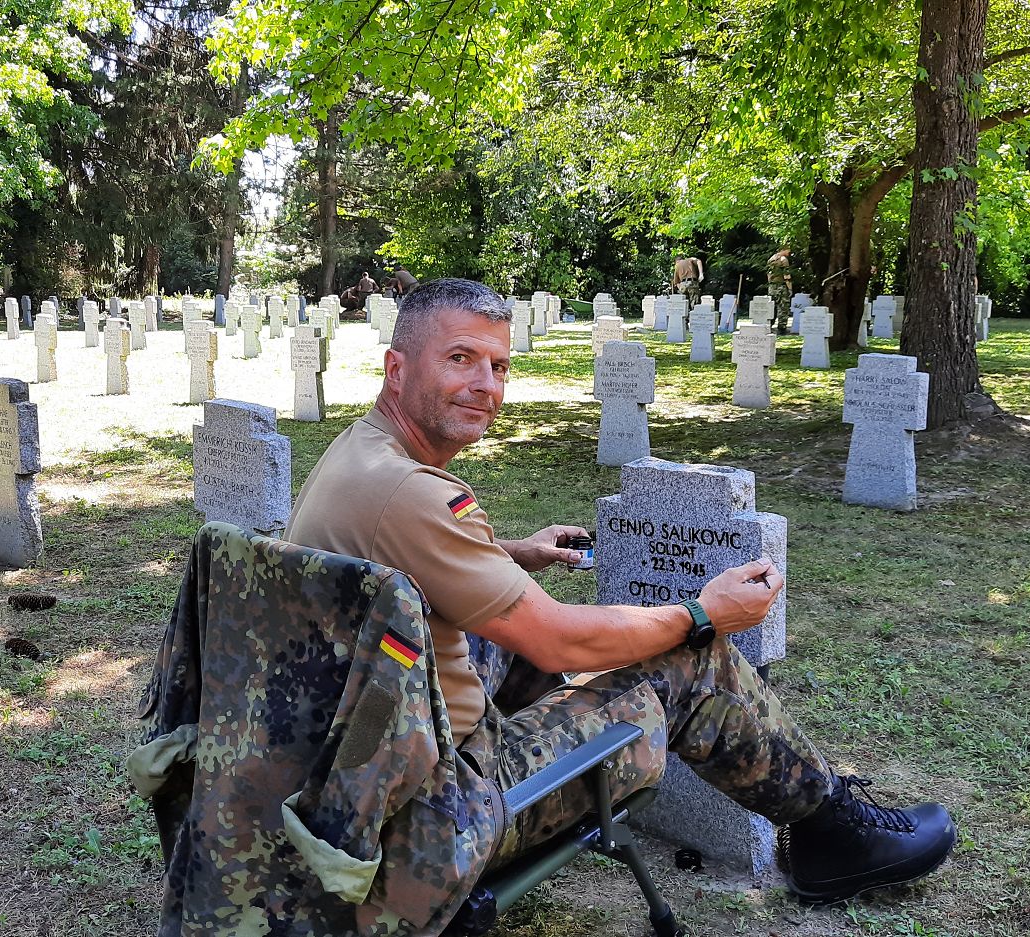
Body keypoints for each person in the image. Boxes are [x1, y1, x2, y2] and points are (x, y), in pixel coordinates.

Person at [285, 277, 957, 905]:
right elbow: (557, 639)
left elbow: (406, 564)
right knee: (693, 660)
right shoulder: (414, 493)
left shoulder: (360, 455)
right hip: (438, 813)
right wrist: (704, 612)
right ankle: (834, 832)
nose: (486, 385)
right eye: (460, 358)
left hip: (358, 770)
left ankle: (581, 731)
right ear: (397, 368)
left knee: (515, 638)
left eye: (499, 366)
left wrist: (513, 553)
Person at [766, 248, 793, 334]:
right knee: (783, 307)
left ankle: (769, 325)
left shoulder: (771, 259)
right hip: (781, 286)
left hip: (771, 287)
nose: (789, 252)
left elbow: (768, 274)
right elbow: (786, 275)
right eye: (788, 250)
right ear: (783, 249)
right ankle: (782, 328)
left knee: (772, 306)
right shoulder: (783, 260)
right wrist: (790, 288)